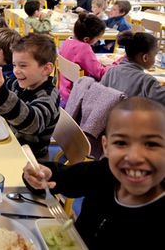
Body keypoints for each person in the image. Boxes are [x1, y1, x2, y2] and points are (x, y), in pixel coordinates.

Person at [22, 97, 165, 249]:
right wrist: (44, 174)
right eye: (121, 143)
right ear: (106, 147)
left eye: (151, 144)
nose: (135, 157)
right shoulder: (104, 173)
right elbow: (63, 178)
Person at [0, 33, 60, 159]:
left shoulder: (48, 96)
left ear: (46, 69)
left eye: (23, 65)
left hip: (28, 160)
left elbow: (32, 123)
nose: (16, 70)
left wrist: (1, 97)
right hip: (10, 143)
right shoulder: (23, 83)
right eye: (15, 65)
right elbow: (3, 84)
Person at [59, 13, 113, 106]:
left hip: (63, 91)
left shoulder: (68, 41)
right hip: (76, 95)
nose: (99, 40)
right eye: (98, 38)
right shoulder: (84, 48)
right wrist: (114, 65)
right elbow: (100, 73)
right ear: (86, 39)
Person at [101, 32, 164, 103]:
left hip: (109, 113)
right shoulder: (147, 81)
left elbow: (99, 93)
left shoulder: (111, 71)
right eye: (155, 54)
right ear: (145, 58)